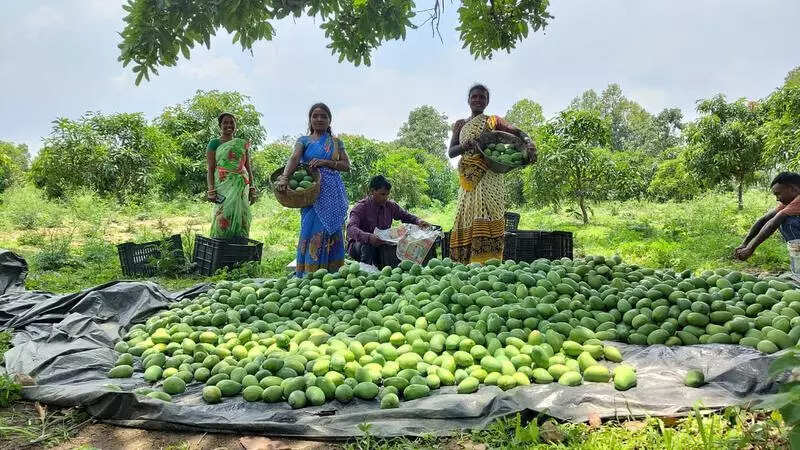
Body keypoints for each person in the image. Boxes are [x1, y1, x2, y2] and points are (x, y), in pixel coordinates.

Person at [447, 84, 537, 264]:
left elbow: (517, 132)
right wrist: (465, 146)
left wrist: (529, 142)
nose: (478, 100)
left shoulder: (494, 121)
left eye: (482, 97)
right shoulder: (460, 124)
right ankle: (465, 264)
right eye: (475, 97)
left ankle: (488, 263)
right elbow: (451, 152)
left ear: (487, 101)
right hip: (469, 180)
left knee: (490, 215)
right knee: (467, 217)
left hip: (491, 178)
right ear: (468, 100)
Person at [276, 103, 350, 277]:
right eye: (315, 116)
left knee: (332, 230)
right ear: (310, 119)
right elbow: (294, 158)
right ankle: (310, 274)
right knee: (311, 229)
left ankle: (334, 274)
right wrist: (285, 177)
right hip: (312, 192)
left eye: (323, 116)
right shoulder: (304, 140)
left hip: (333, 192)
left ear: (329, 120)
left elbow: (346, 165)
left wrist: (326, 162)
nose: (319, 119)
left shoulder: (337, 142)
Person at [347, 175, 430, 267]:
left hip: (381, 244)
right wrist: (369, 237)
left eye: (387, 194)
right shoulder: (361, 207)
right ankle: (365, 271)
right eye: (382, 194)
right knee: (368, 246)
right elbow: (351, 229)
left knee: (401, 243)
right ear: (372, 191)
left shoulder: (390, 206)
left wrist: (418, 221)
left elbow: (405, 215)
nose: (385, 197)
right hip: (359, 245)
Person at [206, 113, 257, 238]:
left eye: (231, 122)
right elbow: (211, 169)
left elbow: (248, 168)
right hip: (223, 185)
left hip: (241, 185)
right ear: (220, 126)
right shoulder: (214, 143)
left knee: (241, 213)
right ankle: (220, 243)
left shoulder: (241, 144)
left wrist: (252, 188)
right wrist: (211, 189)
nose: (228, 125)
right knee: (224, 213)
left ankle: (239, 243)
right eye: (225, 123)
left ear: (236, 126)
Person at [734, 172, 800, 266]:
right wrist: (745, 243)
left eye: (778, 194)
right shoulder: (790, 202)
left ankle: (798, 267)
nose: (777, 199)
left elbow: (773, 223)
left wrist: (750, 249)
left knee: (787, 222)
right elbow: (764, 219)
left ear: (793, 189)